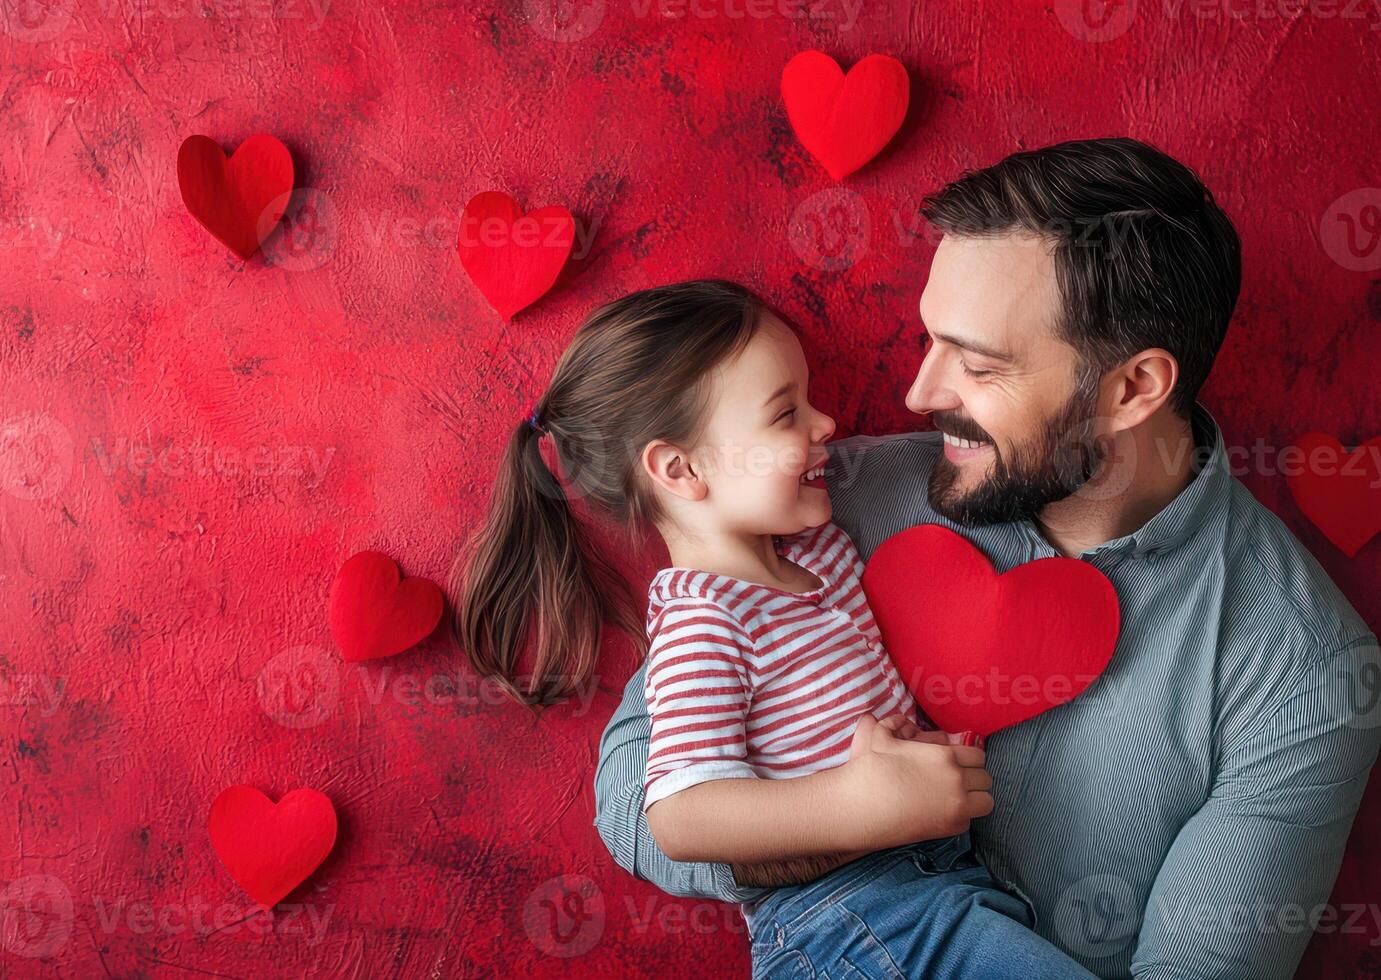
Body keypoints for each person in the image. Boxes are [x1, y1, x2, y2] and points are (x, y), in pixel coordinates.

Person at [591, 138, 1381, 978]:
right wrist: (853, 821)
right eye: (928, 339)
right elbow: (631, 800)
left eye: (975, 363)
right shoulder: (830, 500)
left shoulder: (1309, 674)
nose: (919, 393)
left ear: (1131, 389)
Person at [454, 278, 1097, 977]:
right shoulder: (704, 622)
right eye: (784, 413)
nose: (824, 424)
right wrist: (857, 806)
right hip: (844, 921)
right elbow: (680, 816)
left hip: (935, 889)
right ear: (680, 469)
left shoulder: (821, 553)